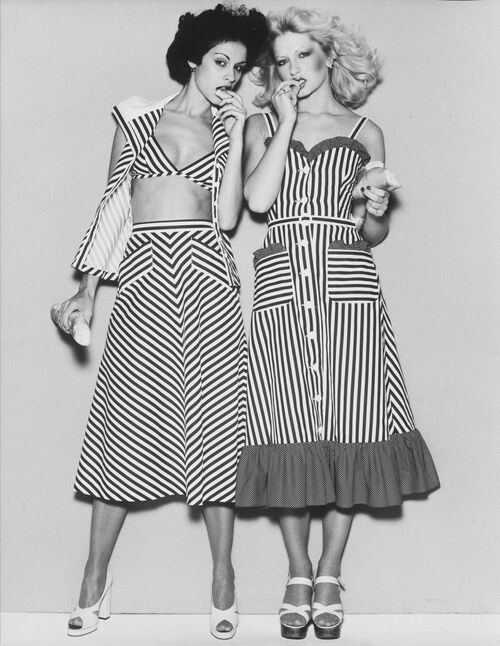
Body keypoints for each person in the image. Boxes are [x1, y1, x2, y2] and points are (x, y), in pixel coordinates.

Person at [51, 4, 267, 639]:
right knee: (124, 425)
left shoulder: (229, 127)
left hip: (207, 274)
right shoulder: (138, 116)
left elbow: (229, 218)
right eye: (221, 62)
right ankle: (94, 578)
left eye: (239, 68)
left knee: (217, 423)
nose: (229, 75)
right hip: (145, 271)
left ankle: (223, 580)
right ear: (194, 58)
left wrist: (237, 134)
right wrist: (87, 291)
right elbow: (114, 202)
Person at [235, 7, 440, 640]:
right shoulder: (262, 124)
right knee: (286, 426)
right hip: (281, 287)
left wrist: (375, 205)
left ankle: (329, 572)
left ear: (328, 57)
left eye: (304, 55)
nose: (294, 68)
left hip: (349, 288)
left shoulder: (366, 131)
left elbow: (374, 233)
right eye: (283, 60)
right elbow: (259, 201)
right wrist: (285, 123)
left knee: (354, 421)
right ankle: (297, 572)